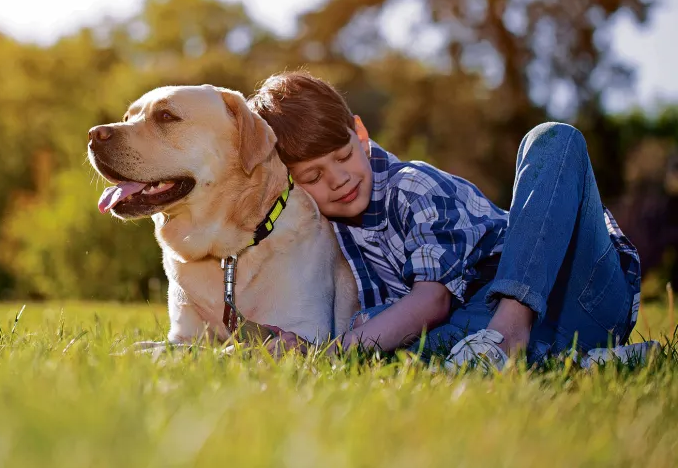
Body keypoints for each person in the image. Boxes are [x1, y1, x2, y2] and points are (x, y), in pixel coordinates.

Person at [246, 70, 643, 370]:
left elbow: (432, 300)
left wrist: (335, 353)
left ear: (361, 134)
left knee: (553, 137)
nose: (339, 179)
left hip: (573, 294)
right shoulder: (330, 235)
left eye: (344, 156)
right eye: (313, 177)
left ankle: (512, 330)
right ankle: (584, 362)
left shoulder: (410, 187)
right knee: (411, 347)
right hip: (476, 328)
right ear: (290, 184)